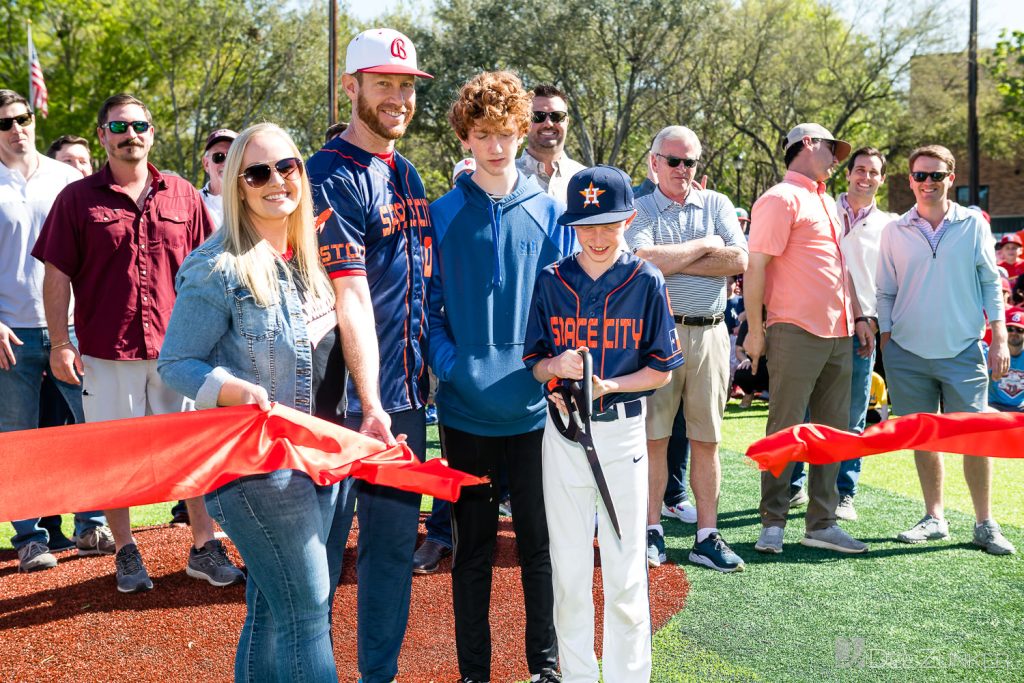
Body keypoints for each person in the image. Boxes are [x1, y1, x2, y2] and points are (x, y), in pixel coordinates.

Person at [33, 93, 243, 593]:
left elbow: (209, 269)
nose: (132, 135)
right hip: (107, 352)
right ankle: (126, 551)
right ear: (103, 135)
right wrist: (61, 342)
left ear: (152, 132)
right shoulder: (77, 199)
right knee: (114, 457)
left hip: (181, 353)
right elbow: (56, 275)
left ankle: (203, 546)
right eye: (120, 127)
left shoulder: (183, 196)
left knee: (190, 451)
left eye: (140, 125)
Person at [159, 123, 339, 681]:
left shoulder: (309, 259)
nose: (275, 181)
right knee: (309, 610)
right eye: (257, 172)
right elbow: (176, 362)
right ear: (237, 185)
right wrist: (236, 390)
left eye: (287, 167)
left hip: (321, 459)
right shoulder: (218, 265)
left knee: (270, 608)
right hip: (257, 469)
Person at [429, 70, 571, 683]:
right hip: (464, 415)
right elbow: (425, 311)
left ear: (522, 133)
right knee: (473, 555)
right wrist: (454, 369)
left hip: (535, 414)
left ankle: (543, 667)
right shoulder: (439, 214)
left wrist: (546, 373)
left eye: (506, 132)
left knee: (539, 550)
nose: (495, 145)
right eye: (483, 133)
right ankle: (473, 673)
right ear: (466, 137)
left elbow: (562, 311)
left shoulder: (551, 213)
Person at [307, 28, 432, 683]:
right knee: (316, 561)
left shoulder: (406, 173)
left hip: (402, 404)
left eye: (407, 85)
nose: (398, 97)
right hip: (337, 407)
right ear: (351, 87)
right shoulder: (326, 172)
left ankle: (375, 677)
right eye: (384, 83)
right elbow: (349, 295)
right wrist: (372, 403)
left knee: (388, 553)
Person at [523, 164, 681, 683]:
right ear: (572, 224)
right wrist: (555, 367)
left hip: (621, 432)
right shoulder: (551, 280)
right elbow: (534, 361)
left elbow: (660, 370)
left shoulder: (646, 280)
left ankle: (629, 677)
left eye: (608, 223)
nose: (596, 235)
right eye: (586, 224)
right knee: (568, 569)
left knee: (625, 568)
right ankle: (576, 676)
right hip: (563, 430)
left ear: (629, 219)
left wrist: (612, 384)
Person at [877, 144, 1015, 555]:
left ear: (951, 179)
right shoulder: (893, 231)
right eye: (920, 175)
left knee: (975, 439)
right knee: (924, 438)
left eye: (937, 175)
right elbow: (885, 291)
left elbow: (991, 283)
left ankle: (984, 523)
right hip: (908, 354)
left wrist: (1000, 336)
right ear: (909, 180)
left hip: (963, 351)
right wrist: (888, 343)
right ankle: (934, 517)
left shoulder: (973, 224)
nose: (928, 183)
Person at [625, 125, 748, 573]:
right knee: (654, 439)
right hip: (657, 334)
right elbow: (640, 262)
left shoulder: (715, 203)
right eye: (672, 160)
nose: (681, 169)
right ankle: (652, 530)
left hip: (712, 334)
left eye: (689, 161)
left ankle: (706, 536)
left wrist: (672, 258)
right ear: (653, 162)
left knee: (707, 440)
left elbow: (738, 260)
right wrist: (704, 247)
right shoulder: (637, 208)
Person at [0, 89, 112, 572]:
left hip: (73, 326)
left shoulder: (67, 178)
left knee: (90, 430)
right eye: (4, 123)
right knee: (17, 438)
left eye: (22, 118)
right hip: (12, 331)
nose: (16, 129)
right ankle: (28, 537)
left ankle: (93, 524)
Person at [745, 122, 869, 555]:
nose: (838, 159)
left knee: (832, 434)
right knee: (785, 429)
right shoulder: (780, 198)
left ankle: (822, 523)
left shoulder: (824, 202)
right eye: (833, 150)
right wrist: (755, 331)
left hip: (840, 333)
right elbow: (755, 267)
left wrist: (860, 318)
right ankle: (773, 522)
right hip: (793, 330)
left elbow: (843, 269)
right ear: (809, 144)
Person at [412, 156, 478, 576]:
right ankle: (439, 533)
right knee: (452, 455)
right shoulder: (441, 219)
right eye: (463, 180)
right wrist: (447, 361)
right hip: (454, 359)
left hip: (510, 371)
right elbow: (427, 296)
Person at [830, 147, 893, 521]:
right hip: (818, 322)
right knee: (808, 410)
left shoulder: (889, 226)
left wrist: (876, 323)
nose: (865, 177)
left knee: (854, 414)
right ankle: (796, 486)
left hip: (863, 329)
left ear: (881, 180)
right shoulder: (823, 209)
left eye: (873, 172)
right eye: (859, 170)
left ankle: (844, 494)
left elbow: (887, 282)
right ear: (848, 174)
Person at [516, 84, 585, 204]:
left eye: (557, 116)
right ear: (525, 122)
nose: (548, 123)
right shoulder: (506, 176)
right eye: (538, 116)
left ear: (567, 122)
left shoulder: (585, 179)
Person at [198, 128, 236, 229]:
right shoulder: (192, 203)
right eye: (218, 157)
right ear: (206, 164)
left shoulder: (253, 200)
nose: (226, 163)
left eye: (232, 156)